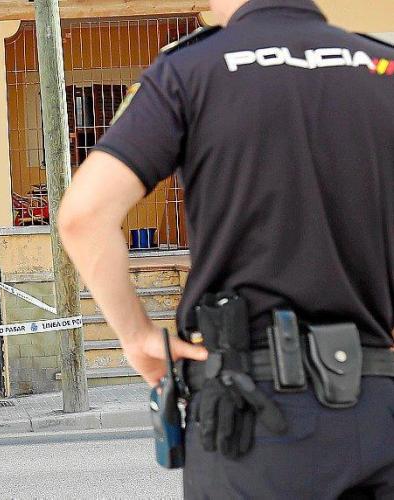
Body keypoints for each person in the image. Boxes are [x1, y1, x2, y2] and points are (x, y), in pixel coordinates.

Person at [58, 0, 394, 497]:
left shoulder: (190, 70)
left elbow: (84, 216)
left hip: (253, 421)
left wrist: (138, 337)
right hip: (379, 405)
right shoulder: (382, 66)